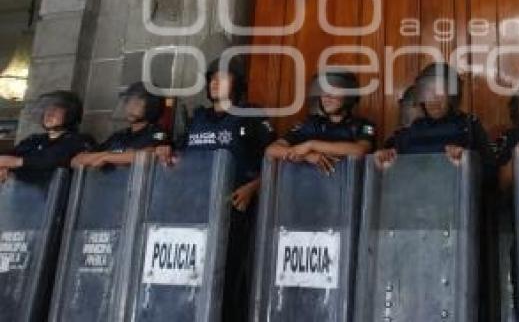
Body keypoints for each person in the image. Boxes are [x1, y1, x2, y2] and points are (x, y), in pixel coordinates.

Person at [164, 57, 273, 322]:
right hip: (194, 213)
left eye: (222, 77)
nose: (214, 82)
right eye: (211, 77)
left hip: (234, 213)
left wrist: (252, 188)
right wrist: (166, 151)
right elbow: (177, 156)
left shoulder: (251, 116)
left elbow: (274, 162)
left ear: (237, 84)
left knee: (229, 281)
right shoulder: (197, 119)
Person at [375, 63, 492, 167]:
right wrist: (384, 157)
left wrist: (467, 160)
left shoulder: (469, 126)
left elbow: (490, 175)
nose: (434, 97)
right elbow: (389, 170)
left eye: (440, 90)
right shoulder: (412, 129)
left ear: (452, 95)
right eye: (428, 90)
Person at [265, 69, 376, 172]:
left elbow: (360, 150)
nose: (327, 97)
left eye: (334, 91)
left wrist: (311, 145)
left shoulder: (363, 125)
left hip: (347, 187)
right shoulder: (312, 123)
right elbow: (272, 150)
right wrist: (306, 156)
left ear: (349, 95)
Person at [0, 90, 93, 182]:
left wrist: (17, 162)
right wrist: (5, 167)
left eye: (56, 110)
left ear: (70, 114)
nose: (49, 114)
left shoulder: (79, 140)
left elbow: (54, 159)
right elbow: (9, 155)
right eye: (47, 110)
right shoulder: (34, 140)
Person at [71, 82, 169, 168]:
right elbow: (77, 160)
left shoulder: (157, 133)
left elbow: (149, 155)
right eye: (128, 102)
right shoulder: (119, 135)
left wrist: (107, 157)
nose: (131, 107)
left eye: (137, 103)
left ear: (151, 107)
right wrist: (107, 156)